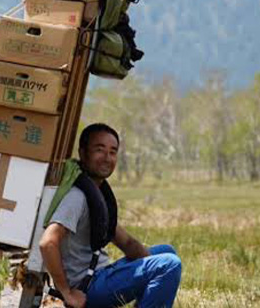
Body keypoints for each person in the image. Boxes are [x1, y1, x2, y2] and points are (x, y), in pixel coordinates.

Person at [40, 124, 182, 308]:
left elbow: (128, 244)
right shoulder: (77, 197)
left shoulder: (97, 195)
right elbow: (47, 243)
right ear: (83, 153)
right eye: (99, 150)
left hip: (102, 275)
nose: (107, 158)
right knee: (169, 264)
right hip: (88, 287)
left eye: (113, 152)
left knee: (166, 252)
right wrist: (67, 293)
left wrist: (149, 267)